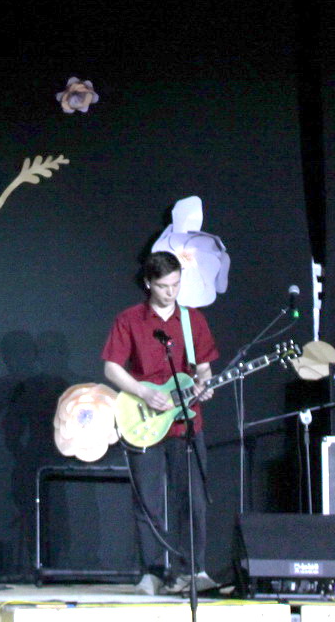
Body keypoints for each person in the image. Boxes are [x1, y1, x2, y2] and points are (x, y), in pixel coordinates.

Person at [102, 251, 218, 595]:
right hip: (144, 419)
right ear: (148, 283)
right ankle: (151, 572)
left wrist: (204, 384)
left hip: (186, 424)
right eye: (165, 286)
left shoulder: (192, 320)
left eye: (176, 285)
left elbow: (204, 368)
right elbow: (111, 367)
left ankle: (193, 571)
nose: (171, 292)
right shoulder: (129, 319)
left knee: (193, 499)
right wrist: (142, 392)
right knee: (148, 502)